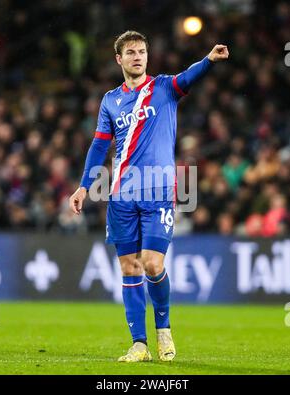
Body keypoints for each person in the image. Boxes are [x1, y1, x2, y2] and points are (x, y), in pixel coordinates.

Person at [69, 31, 229, 362]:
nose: (138, 56)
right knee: (130, 268)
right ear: (119, 59)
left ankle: (164, 331)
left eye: (142, 51)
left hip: (158, 192)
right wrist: (85, 185)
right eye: (131, 52)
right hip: (121, 195)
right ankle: (139, 344)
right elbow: (100, 145)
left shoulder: (164, 88)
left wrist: (209, 61)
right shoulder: (110, 101)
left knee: (153, 264)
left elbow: (189, 76)